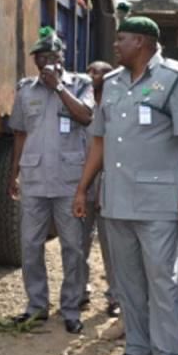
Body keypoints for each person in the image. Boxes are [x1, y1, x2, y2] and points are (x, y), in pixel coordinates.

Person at [74, 16, 178, 355]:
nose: (116, 45)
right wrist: (83, 188)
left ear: (143, 43)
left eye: (123, 39)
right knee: (127, 280)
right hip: (117, 200)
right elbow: (99, 140)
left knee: (163, 280)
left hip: (158, 201)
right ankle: (138, 346)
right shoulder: (113, 82)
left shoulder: (176, 78)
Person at [7, 27, 94, 334]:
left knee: (73, 247)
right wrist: (13, 173)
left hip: (69, 182)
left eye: (52, 56)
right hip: (34, 179)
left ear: (62, 58)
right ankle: (36, 306)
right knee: (30, 245)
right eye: (40, 57)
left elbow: (86, 116)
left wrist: (58, 88)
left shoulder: (81, 84)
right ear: (34, 60)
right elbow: (20, 134)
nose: (46, 62)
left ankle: (71, 307)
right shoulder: (25, 90)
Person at [81, 60, 118, 317]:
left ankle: (116, 296)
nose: (93, 75)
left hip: (108, 182)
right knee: (79, 242)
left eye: (99, 72)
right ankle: (80, 291)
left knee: (111, 245)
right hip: (82, 182)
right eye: (90, 71)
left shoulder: (116, 104)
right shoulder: (79, 103)